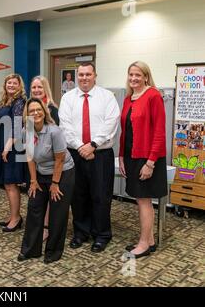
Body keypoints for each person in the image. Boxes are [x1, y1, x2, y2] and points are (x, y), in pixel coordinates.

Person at [59, 62, 120, 253]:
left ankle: (101, 234)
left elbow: (111, 122)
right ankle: (81, 232)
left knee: (101, 196)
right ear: (77, 76)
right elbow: (65, 125)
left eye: (88, 74)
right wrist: (80, 146)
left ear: (95, 75)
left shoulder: (107, 97)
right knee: (78, 195)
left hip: (100, 154)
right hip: (75, 154)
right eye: (81, 74)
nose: (84, 78)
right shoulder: (68, 98)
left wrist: (93, 144)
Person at [17, 98, 75, 264]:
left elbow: (60, 159)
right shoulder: (26, 131)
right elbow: (29, 157)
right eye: (31, 110)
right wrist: (33, 181)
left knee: (57, 211)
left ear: (44, 111)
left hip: (62, 173)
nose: (36, 113)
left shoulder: (54, 131)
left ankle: (53, 251)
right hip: (41, 173)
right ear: (27, 114)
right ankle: (30, 250)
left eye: (39, 109)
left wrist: (55, 183)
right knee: (34, 207)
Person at [119, 61, 167, 258]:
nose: (133, 78)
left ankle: (143, 244)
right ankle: (150, 240)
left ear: (146, 76)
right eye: (131, 74)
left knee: (144, 201)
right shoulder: (129, 98)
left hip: (147, 157)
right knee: (141, 200)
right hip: (131, 156)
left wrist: (150, 162)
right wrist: (121, 156)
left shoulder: (153, 95)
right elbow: (125, 131)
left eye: (138, 75)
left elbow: (159, 132)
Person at [0, 74, 26, 232]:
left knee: (11, 184)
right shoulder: (4, 101)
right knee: (8, 184)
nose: (11, 85)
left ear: (20, 86)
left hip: (11, 147)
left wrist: (7, 148)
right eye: (9, 83)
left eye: (14, 83)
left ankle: (16, 219)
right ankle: (14, 215)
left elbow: (17, 126)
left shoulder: (19, 102)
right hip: (2, 144)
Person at [30, 75, 60, 241]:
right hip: (35, 158)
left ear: (45, 89)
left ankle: (46, 227)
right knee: (37, 193)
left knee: (49, 194)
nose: (36, 90)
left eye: (40, 87)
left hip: (50, 159)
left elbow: (56, 136)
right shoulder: (30, 108)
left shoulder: (52, 109)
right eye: (34, 88)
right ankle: (38, 224)